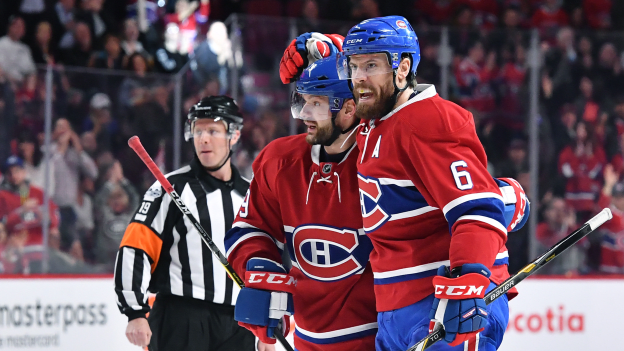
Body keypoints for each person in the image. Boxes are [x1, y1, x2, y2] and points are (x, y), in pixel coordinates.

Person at [280, 18, 529, 351]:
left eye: (371, 65)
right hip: (394, 313)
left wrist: (468, 282)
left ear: (403, 67)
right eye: (353, 66)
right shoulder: (376, 121)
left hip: (440, 305)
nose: (359, 77)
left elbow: (477, 209)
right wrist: (320, 46)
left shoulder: (429, 120)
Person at [224, 53, 378, 350]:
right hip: (304, 338)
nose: (304, 113)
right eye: (303, 100)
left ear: (348, 108)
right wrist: (259, 267)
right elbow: (249, 228)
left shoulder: (381, 160)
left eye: (316, 103)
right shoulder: (280, 160)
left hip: (376, 336)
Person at [113, 96, 260, 351]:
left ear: (234, 135)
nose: (203, 138)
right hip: (181, 319)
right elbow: (135, 247)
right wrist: (135, 312)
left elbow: (268, 261)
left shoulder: (253, 195)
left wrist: (269, 321)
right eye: (198, 130)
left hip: (240, 322)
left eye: (213, 130)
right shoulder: (169, 189)